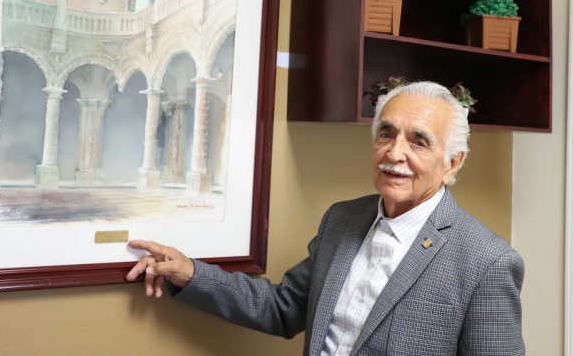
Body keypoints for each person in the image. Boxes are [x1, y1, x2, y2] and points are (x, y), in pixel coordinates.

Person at [126, 81, 524, 355]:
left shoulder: (487, 262)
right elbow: (283, 307)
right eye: (386, 134)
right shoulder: (343, 219)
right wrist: (190, 273)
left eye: (418, 142)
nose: (394, 153)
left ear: (452, 163)